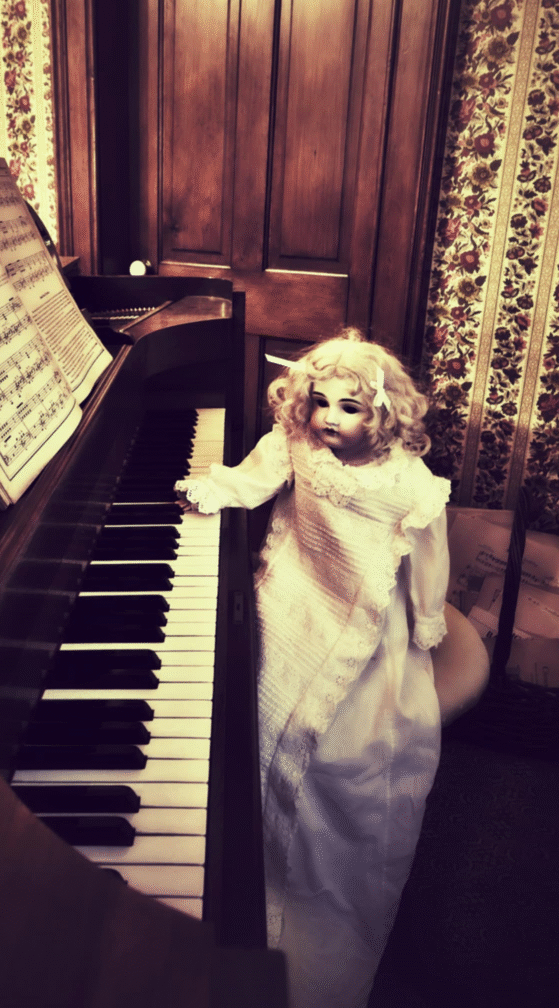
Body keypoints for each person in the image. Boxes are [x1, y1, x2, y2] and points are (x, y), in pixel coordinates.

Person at [175, 330, 451, 1008]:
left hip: (366, 619)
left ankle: (311, 890)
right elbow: (254, 477)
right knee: (255, 711)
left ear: (384, 414)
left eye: (350, 408)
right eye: (322, 402)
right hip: (293, 593)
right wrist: (218, 492)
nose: (330, 418)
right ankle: (248, 868)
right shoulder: (296, 441)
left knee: (346, 758)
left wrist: (427, 619)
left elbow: (429, 560)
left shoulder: (407, 483)